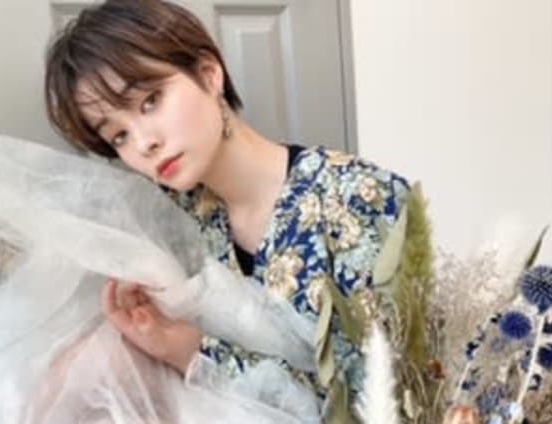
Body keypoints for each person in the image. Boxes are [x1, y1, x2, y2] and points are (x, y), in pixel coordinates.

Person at [44, 0, 410, 418]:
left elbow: (386, 401)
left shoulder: (357, 197)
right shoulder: (180, 217)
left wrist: (189, 349)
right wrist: (154, 320)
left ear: (209, 73)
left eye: (150, 101)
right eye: (119, 136)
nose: (144, 143)